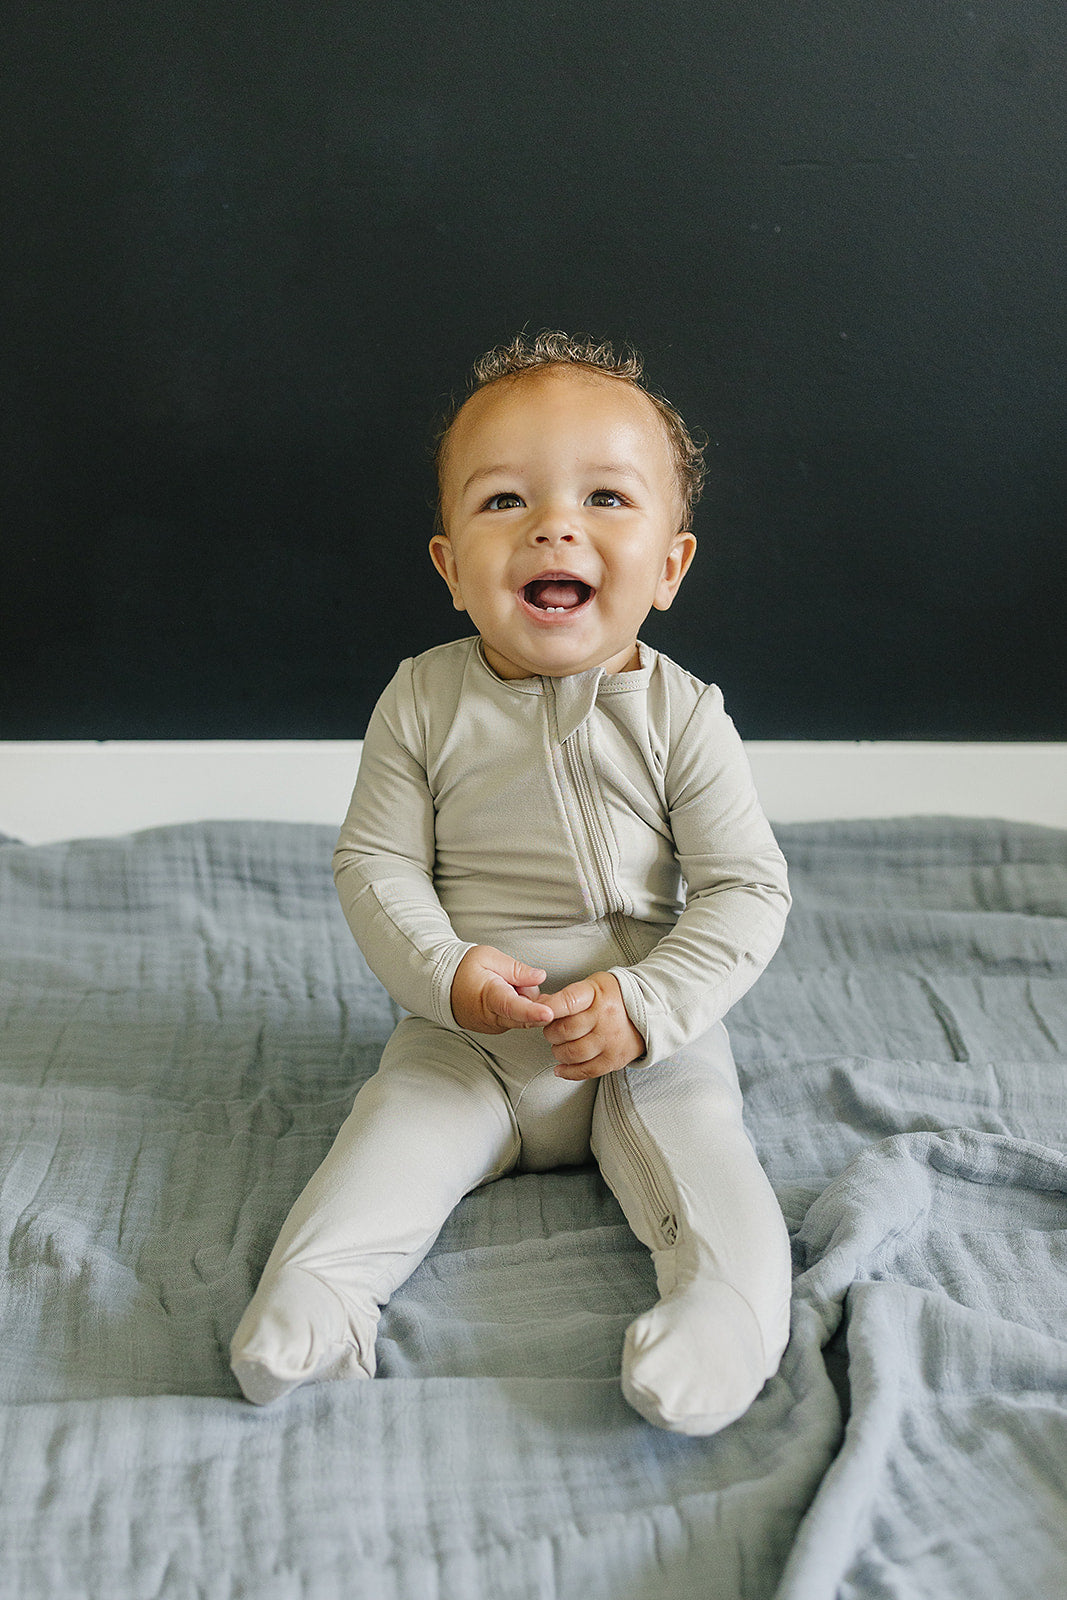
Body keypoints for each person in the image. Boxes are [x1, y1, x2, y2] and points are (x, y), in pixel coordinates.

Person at [230, 330, 793, 1435]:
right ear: (448, 567)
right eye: (503, 501)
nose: (553, 524)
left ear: (670, 565)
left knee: (712, 1167)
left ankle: (725, 1314)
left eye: (602, 496)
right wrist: (446, 974)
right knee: (388, 1138)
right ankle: (321, 1298)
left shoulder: (685, 714)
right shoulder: (420, 702)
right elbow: (375, 862)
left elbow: (744, 890)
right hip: (470, 1037)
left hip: (645, 1038)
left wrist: (644, 1002)